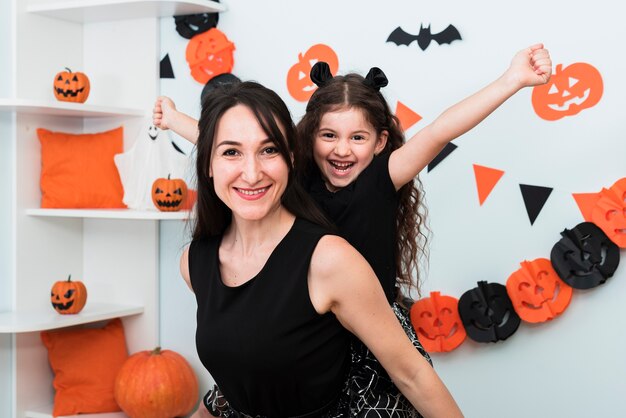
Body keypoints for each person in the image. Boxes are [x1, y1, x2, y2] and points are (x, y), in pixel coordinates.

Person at [157, 43, 552, 417]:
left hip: (365, 346)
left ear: (380, 142)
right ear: (306, 141)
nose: (341, 150)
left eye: (357, 138)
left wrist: (511, 80)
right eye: (329, 136)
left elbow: (438, 132)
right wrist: (174, 120)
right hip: (301, 338)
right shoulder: (291, 179)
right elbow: (238, 151)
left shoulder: (380, 182)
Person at [180, 80, 463, 417]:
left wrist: (512, 79)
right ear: (208, 164)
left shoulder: (330, 259)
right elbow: (243, 367)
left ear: (290, 159)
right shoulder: (194, 262)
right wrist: (170, 118)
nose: (252, 172)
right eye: (231, 152)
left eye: (269, 150)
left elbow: (412, 374)